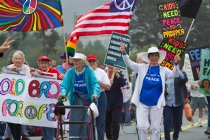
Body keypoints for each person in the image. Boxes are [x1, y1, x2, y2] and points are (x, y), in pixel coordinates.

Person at [120, 44, 181, 140]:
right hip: (142, 103)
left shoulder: (163, 69)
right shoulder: (142, 67)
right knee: (141, 126)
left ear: (158, 57)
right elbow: (129, 63)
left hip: (157, 104)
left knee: (155, 128)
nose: (154, 57)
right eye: (151, 55)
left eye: (156, 55)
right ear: (148, 57)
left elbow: (175, 74)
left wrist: (176, 64)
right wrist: (124, 52)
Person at [60, 53, 100, 140]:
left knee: (87, 122)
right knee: (75, 122)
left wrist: (95, 93)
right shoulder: (70, 72)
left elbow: (95, 84)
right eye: (74, 60)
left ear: (82, 62)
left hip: (89, 99)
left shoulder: (89, 71)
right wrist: (63, 94)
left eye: (77, 60)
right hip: (76, 98)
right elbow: (64, 85)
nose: (75, 62)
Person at [4, 50, 30, 140]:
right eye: (16, 58)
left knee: (18, 120)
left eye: (19, 58)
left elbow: (27, 79)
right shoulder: (8, 67)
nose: (18, 60)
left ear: (23, 60)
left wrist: (17, 72)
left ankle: (17, 138)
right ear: (12, 59)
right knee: (10, 120)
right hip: (10, 97)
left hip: (21, 97)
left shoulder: (26, 68)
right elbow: (5, 79)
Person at [35, 56, 64, 140]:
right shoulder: (37, 72)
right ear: (39, 64)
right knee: (43, 124)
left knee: (51, 122)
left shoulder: (54, 71)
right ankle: (45, 137)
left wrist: (63, 76)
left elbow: (63, 81)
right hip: (41, 102)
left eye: (45, 63)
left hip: (52, 102)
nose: (44, 65)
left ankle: (50, 138)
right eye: (42, 63)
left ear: (48, 64)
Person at [86, 54, 111, 140]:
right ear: (87, 63)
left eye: (93, 61)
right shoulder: (84, 71)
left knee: (101, 122)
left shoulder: (101, 72)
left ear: (96, 62)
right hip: (89, 97)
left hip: (101, 96)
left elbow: (108, 87)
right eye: (90, 61)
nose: (92, 63)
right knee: (90, 122)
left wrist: (97, 82)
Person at [163, 70, 188, 140]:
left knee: (178, 123)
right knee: (167, 122)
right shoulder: (163, 73)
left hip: (178, 102)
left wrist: (177, 69)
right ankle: (167, 138)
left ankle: (175, 136)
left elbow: (184, 79)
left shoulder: (181, 73)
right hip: (167, 103)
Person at [105, 66, 126, 140]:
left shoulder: (118, 75)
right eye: (109, 67)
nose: (111, 69)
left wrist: (116, 74)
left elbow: (123, 83)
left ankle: (115, 138)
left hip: (117, 103)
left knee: (115, 122)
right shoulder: (104, 74)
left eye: (112, 67)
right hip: (106, 103)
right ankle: (109, 138)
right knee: (107, 123)